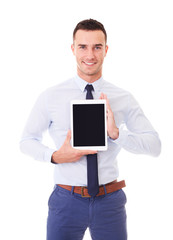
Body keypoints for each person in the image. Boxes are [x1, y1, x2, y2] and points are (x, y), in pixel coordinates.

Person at [20, 19, 161, 240]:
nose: (90, 55)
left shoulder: (123, 98)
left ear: (106, 50)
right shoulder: (51, 96)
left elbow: (155, 146)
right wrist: (55, 156)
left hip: (109, 201)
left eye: (97, 47)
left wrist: (116, 133)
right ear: (72, 49)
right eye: (83, 47)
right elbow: (26, 141)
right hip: (66, 200)